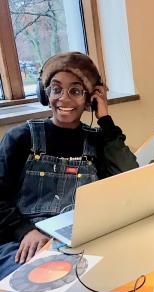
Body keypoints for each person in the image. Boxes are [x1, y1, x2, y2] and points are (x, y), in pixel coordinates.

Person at [0, 52, 139, 280]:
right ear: (45, 94)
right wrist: (24, 231)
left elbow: (129, 179)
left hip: (79, 240)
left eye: (75, 91)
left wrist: (104, 120)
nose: (63, 99)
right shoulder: (20, 138)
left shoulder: (97, 140)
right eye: (56, 89)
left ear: (90, 98)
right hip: (25, 242)